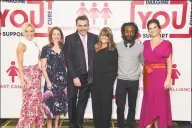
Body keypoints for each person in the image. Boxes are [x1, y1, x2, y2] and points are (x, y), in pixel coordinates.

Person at [64, 15, 98, 128]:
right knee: (72, 100)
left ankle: (79, 123)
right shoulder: (70, 39)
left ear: (88, 25)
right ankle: (72, 124)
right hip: (74, 76)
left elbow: (106, 48)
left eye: (85, 25)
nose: (83, 28)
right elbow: (67, 59)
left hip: (88, 76)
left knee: (82, 102)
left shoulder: (94, 38)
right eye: (80, 25)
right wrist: (74, 77)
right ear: (76, 26)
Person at [139, 19, 173, 128]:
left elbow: (169, 62)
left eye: (154, 27)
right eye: (150, 28)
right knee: (149, 103)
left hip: (160, 76)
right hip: (148, 78)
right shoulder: (145, 43)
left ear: (159, 28)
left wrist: (168, 78)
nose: (153, 30)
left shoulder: (167, 44)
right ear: (148, 30)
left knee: (159, 104)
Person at [115, 22, 144, 128]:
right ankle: (120, 125)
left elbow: (144, 62)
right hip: (121, 81)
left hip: (134, 81)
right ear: (123, 32)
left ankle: (129, 125)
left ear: (135, 33)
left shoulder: (140, 47)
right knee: (120, 106)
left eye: (132, 31)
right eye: (127, 31)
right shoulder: (117, 46)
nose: (129, 33)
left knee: (132, 106)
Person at [16, 22, 44, 128]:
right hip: (28, 77)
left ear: (34, 32)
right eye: (27, 31)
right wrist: (22, 80)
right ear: (23, 32)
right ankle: (26, 125)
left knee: (36, 101)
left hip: (36, 75)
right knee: (29, 102)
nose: (29, 33)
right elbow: (19, 64)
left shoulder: (34, 43)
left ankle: (34, 125)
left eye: (31, 31)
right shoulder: (21, 44)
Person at [40, 27, 68, 128]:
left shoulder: (64, 48)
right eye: (54, 34)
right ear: (51, 36)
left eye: (58, 34)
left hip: (62, 83)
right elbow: (43, 66)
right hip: (50, 82)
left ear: (61, 36)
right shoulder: (46, 48)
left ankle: (56, 126)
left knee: (59, 107)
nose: (56, 36)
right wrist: (48, 81)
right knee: (50, 108)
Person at [91, 27, 118, 128]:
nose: (104, 37)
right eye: (102, 35)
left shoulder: (113, 50)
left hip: (107, 82)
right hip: (94, 82)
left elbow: (115, 68)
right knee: (96, 105)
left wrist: (109, 80)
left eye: (106, 35)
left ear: (109, 37)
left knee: (106, 106)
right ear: (100, 36)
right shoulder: (95, 47)